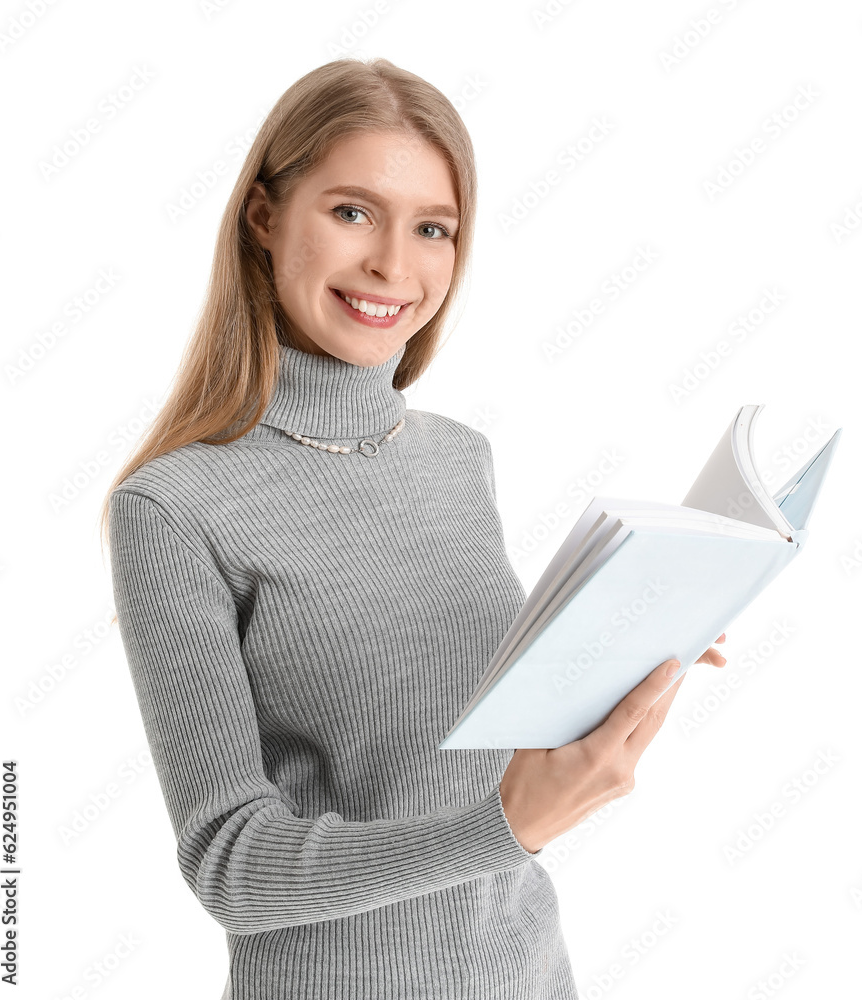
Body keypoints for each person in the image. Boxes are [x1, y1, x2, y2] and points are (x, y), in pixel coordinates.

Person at [99, 56, 727, 1000]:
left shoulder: (456, 458)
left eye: (433, 228)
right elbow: (231, 865)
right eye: (352, 212)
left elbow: (465, 745)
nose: (395, 265)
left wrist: (633, 645)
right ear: (265, 219)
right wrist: (503, 831)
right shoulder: (174, 507)